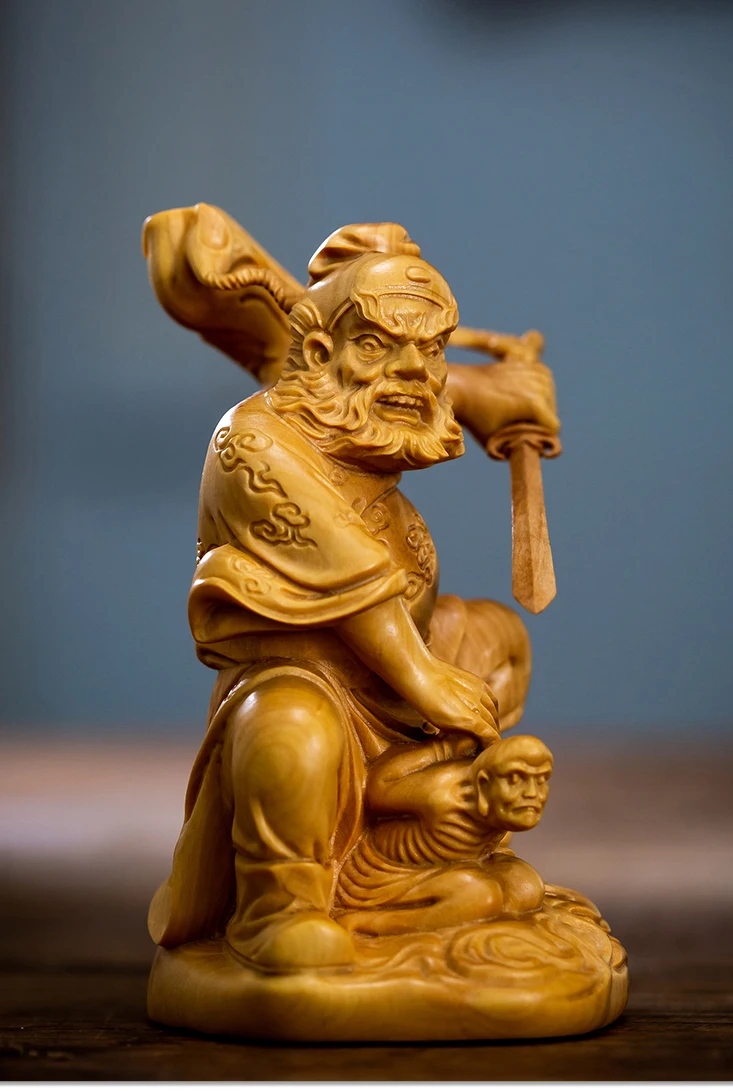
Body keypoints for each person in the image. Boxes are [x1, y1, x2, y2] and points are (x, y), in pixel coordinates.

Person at [147, 221, 559, 973]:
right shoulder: (253, 442)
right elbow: (352, 576)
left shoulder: (371, 430)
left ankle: (425, 845)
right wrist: (425, 679)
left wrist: (488, 395)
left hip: (394, 694)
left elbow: (400, 409)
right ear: (316, 353)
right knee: (291, 727)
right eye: (376, 344)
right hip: (309, 678)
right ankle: (282, 905)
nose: (413, 372)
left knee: (493, 637)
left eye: (431, 350)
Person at [336, 734, 553, 935]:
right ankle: (366, 922)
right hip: (385, 875)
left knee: (527, 886)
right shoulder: (442, 792)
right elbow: (379, 788)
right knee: (480, 896)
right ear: (484, 783)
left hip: (459, 866)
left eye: (541, 780)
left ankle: (480, 919)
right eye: (515, 779)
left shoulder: (503, 809)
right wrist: (444, 749)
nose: (532, 793)